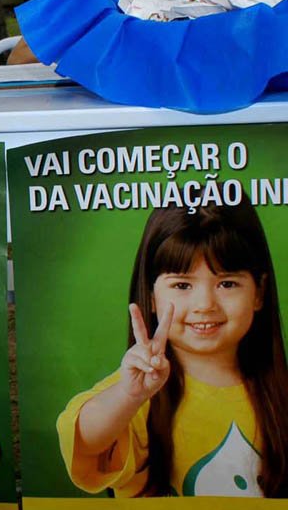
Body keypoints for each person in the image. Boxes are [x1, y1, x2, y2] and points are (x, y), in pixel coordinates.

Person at [56, 202, 288, 498]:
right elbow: (85, 441)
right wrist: (128, 397)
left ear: (259, 293)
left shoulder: (278, 395)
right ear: (151, 296)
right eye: (182, 285)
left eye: (227, 283)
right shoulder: (138, 390)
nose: (205, 304)